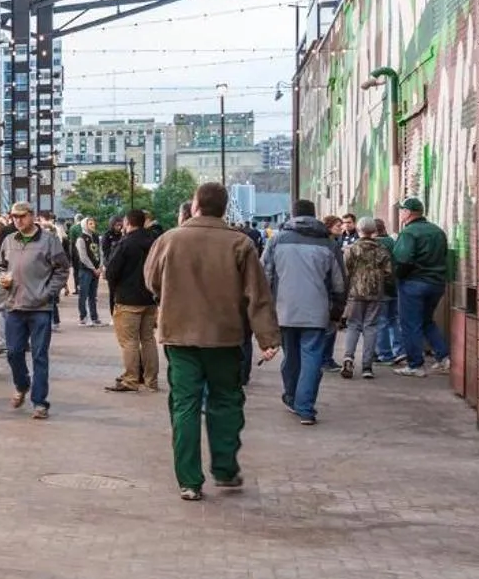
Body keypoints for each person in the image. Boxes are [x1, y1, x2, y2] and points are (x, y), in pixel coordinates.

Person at [145, 183, 279, 500]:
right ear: (224, 207)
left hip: (179, 336)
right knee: (226, 402)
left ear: (195, 206)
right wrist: (267, 337)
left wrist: (170, 298)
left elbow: (151, 279)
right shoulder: (240, 244)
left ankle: (189, 480)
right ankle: (225, 468)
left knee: (185, 406)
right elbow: (257, 295)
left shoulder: (169, 240)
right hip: (225, 337)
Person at [262, 199, 344, 427]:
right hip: (317, 312)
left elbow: (264, 276)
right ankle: (306, 409)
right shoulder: (328, 244)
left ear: (292, 215)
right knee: (312, 358)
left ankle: (291, 396)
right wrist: (336, 313)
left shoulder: (277, 240)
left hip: (284, 310)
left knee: (291, 357)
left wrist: (265, 310)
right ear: (315, 215)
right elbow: (339, 283)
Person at [0, 202, 68, 420]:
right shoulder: (9, 240)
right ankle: (22, 384)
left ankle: (40, 402)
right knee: (13, 352)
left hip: (40, 308)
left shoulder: (49, 240)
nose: (17, 220)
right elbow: (1, 265)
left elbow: (62, 269)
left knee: (39, 355)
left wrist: (48, 293)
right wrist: (2, 278)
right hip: (14, 305)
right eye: (14, 217)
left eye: (22, 216)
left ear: (32, 216)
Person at [103, 208, 162, 392]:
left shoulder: (125, 243)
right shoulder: (154, 241)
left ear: (128, 223)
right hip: (150, 298)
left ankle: (131, 379)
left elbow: (112, 271)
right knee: (148, 339)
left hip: (128, 299)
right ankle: (151, 379)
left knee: (129, 341)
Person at [392, 197, 452, 376]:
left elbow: (402, 259)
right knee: (426, 321)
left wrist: (398, 277)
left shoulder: (409, 233)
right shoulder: (438, 231)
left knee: (410, 324)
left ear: (408, 213)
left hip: (413, 283)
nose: (400, 213)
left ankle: (415, 365)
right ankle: (443, 357)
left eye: (402, 210)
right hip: (437, 283)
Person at [339, 217, 395, 380]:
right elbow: (389, 272)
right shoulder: (382, 250)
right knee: (371, 326)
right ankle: (367, 366)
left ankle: (348, 357)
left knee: (353, 325)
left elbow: (345, 272)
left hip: (355, 292)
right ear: (374, 231)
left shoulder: (351, 249)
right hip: (376, 293)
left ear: (359, 230)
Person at [72, 217, 104, 326]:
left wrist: (100, 266)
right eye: (90, 223)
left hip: (96, 270)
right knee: (84, 294)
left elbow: (100, 252)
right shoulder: (81, 239)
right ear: (85, 225)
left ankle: (94, 317)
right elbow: (83, 256)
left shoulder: (96, 237)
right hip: (86, 270)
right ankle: (84, 317)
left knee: (93, 295)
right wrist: (93, 268)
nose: (93, 225)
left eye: (93, 223)